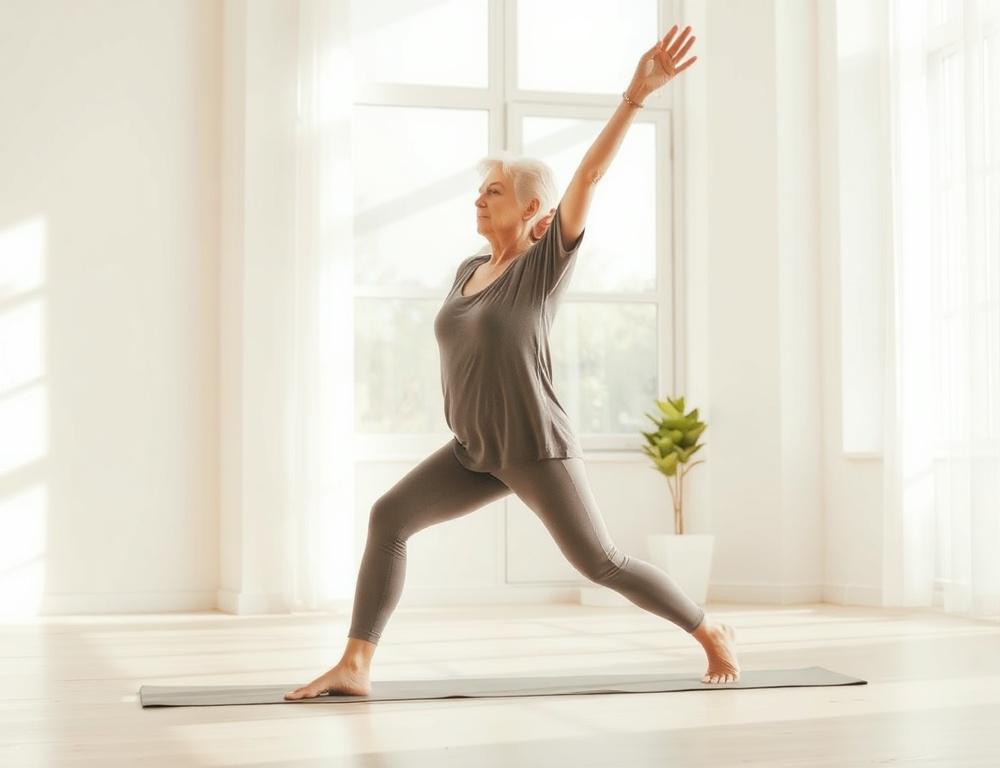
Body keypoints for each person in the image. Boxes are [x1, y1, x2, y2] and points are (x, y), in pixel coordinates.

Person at [286, 22, 739, 701]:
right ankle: (355, 663)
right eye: (480, 190)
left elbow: (589, 174)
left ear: (534, 210)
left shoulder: (543, 267)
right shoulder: (470, 268)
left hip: (534, 446)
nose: (479, 197)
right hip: (475, 449)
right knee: (389, 518)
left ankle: (709, 631)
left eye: (493, 191)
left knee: (601, 563)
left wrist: (634, 96)